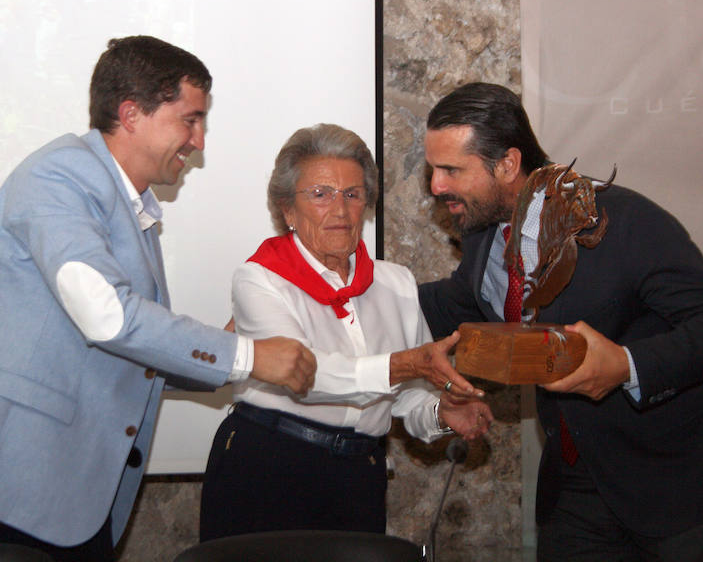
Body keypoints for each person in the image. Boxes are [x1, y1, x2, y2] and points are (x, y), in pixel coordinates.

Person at [0, 36, 316, 561]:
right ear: (131, 114)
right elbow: (108, 317)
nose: (198, 141)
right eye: (189, 120)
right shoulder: (59, 174)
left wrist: (234, 348)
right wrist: (249, 356)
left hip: (67, 497)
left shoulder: (133, 208)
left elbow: (135, 354)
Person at [417, 82, 703, 561]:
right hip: (575, 484)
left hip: (675, 479)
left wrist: (624, 365)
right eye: (433, 169)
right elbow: (461, 301)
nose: (436, 185)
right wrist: (350, 295)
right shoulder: (482, 232)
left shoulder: (618, 219)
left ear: (508, 164)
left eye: (450, 170)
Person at [199, 123, 493, 541]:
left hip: (359, 474)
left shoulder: (395, 283)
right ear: (287, 209)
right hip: (267, 466)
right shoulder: (259, 279)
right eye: (320, 194)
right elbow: (301, 374)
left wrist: (440, 413)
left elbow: (409, 396)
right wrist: (400, 365)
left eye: (352, 194)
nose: (339, 209)